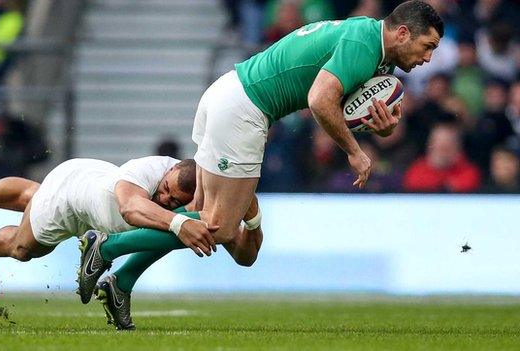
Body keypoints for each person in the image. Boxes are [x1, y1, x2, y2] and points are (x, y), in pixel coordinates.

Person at [75, 0, 442, 330]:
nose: (428, 58)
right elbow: (319, 99)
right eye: (427, 47)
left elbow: (340, 100)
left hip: (228, 91)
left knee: (199, 215)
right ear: (403, 32)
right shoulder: (364, 45)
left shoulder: (367, 41)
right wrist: (354, 150)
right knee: (218, 228)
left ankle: (121, 282)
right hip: (246, 108)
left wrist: (381, 129)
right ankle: (105, 248)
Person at [0, 156, 218, 305]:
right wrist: (178, 220)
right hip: (70, 205)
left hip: (81, 179)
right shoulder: (148, 170)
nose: (164, 198)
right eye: (165, 189)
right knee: (23, 249)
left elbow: (211, 215)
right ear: (171, 169)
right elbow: (129, 208)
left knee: (31, 196)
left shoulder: (187, 185)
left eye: (173, 200)